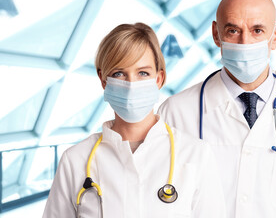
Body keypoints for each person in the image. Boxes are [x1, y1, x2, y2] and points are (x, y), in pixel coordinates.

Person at [158, 0, 276, 218]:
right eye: (233, 30)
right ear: (216, 34)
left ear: (275, 36)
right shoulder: (175, 113)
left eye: (257, 30)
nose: (244, 42)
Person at [43, 23, 226, 218]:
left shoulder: (195, 155)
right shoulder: (75, 160)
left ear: (159, 78)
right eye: (118, 74)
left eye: (143, 73)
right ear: (104, 80)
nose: (131, 84)